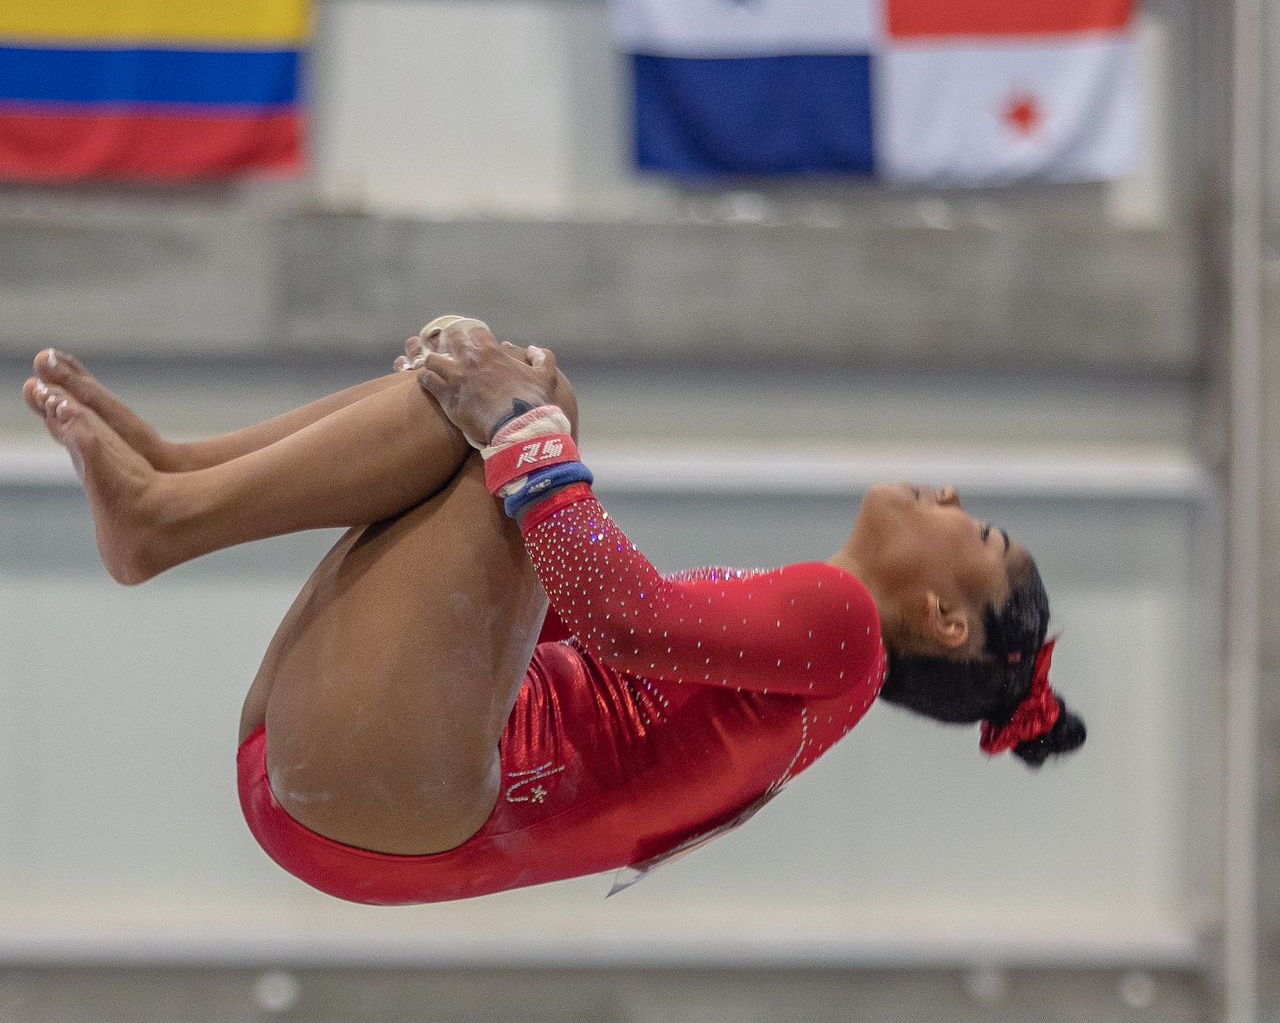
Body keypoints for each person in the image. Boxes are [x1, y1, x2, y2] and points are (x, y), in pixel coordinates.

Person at [21, 322, 1084, 906]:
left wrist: (520, 426)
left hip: (409, 790)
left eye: (978, 533)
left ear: (945, 619)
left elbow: (614, 616)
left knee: (522, 399)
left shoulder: (843, 627)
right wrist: (504, 441)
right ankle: (174, 477)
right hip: (376, 803)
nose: (949, 499)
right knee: (512, 404)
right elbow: (575, 627)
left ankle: (166, 510)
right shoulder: (822, 666)